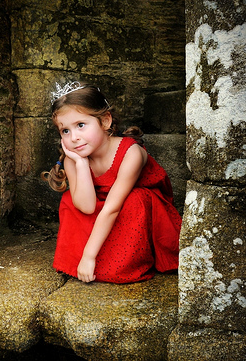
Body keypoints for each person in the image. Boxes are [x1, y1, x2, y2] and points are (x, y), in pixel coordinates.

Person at [41, 81, 181, 284]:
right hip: (100, 208)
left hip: (133, 211)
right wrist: (81, 164)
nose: (74, 137)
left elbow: (112, 209)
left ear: (105, 121)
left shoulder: (131, 153)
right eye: (65, 131)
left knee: (135, 199)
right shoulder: (73, 158)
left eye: (80, 125)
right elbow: (87, 207)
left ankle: (117, 260)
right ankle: (84, 260)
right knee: (70, 200)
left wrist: (89, 256)